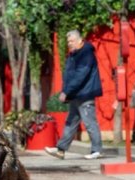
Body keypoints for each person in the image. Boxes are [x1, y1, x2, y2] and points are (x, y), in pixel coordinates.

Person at [44, 30, 103, 160]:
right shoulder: (74, 55)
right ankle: (61, 150)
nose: (69, 44)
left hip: (85, 94)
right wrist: (67, 91)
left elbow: (80, 76)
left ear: (80, 40)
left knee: (90, 122)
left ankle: (96, 150)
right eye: (68, 41)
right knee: (70, 123)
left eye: (72, 41)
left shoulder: (86, 54)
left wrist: (66, 91)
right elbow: (69, 76)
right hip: (76, 95)